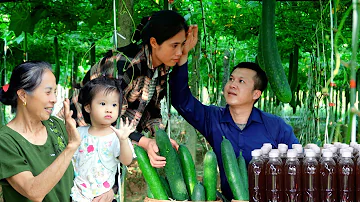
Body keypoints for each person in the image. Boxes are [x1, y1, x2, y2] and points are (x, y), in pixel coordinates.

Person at [168, 34, 299, 199]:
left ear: (256, 94)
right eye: (231, 79)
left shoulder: (276, 126)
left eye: (241, 81)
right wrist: (183, 57)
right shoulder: (212, 119)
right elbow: (181, 100)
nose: (232, 84)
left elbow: (297, 166)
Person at [58, 10, 189, 166]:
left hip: (108, 143)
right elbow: (106, 115)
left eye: (182, 45)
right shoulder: (124, 66)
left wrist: (161, 138)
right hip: (80, 138)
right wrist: (144, 142)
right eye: (174, 45)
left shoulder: (160, 68)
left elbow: (152, 109)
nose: (180, 52)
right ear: (154, 43)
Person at [0, 61, 114, 202]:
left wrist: (107, 190)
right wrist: (71, 146)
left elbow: (87, 167)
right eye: (48, 92)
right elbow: (33, 191)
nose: (54, 99)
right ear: (23, 95)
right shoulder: (5, 141)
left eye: (54, 92)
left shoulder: (56, 126)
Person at [70, 76, 135, 201]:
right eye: (103, 103)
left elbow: (126, 161)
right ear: (88, 107)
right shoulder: (79, 133)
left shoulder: (117, 136)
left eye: (114, 105)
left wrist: (123, 140)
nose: (109, 109)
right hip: (78, 196)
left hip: (104, 198)